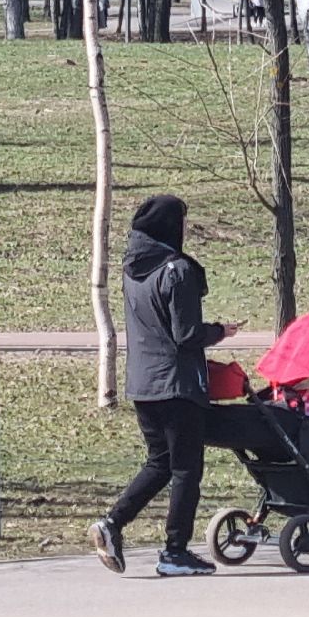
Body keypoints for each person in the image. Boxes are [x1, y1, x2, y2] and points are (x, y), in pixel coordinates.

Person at [92, 196, 240, 577]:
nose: (186, 229)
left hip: (143, 385)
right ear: (170, 226)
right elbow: (186, 334)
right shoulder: (177, 270)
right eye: (183, 222)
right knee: (187, 469)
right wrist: (219, 331)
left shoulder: (132, 270)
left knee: (159, 463)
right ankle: (175, 551)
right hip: (177, 385)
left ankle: (112, 523)